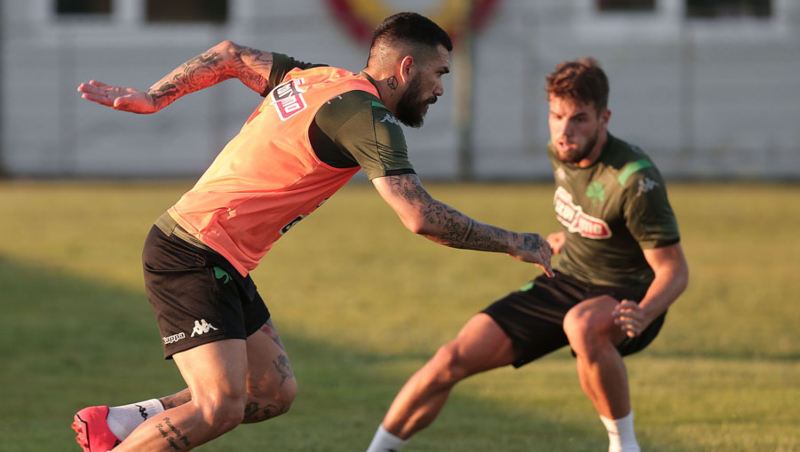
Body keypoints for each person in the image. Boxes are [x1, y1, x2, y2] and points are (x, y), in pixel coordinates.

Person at [71, 12, 554, 452]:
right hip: (193, 251)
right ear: (407, 68)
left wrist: (155, 97)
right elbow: (420, 215)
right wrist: (517, 242)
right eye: (439, 73)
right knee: (219, 407)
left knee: (271, 391)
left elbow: (230, 55)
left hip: (220, 257)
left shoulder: (318, 78)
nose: (441, 89)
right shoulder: (368, 117)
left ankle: (118, 424)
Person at [364, 57, 689, 452]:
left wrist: (646, 311)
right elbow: (594, 216)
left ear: (604, 118)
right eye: (556, 116)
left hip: (628, 295)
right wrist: (569, 236)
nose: (564, 131)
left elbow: (674, 270)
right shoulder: (561, 150)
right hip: (567, 280)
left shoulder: (635, 179)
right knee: (451, 359)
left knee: (581, 325)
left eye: (579, 119)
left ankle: (625, 447)